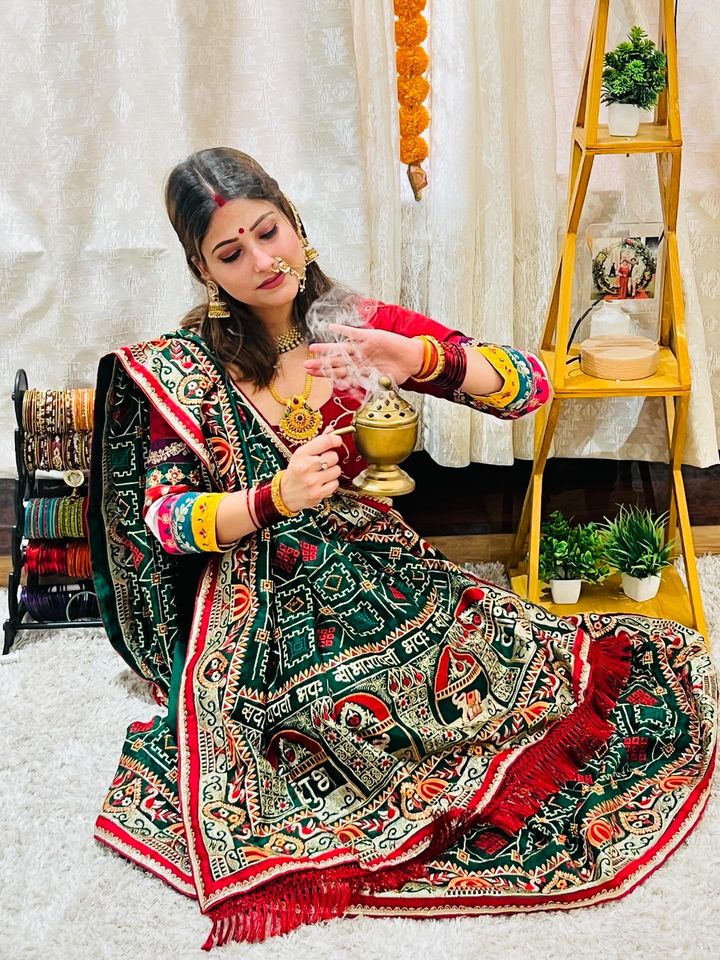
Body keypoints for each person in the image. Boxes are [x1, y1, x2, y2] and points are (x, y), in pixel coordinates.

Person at [88, 148, 716, 950]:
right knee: (324, 718)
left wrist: (416, 359)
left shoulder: (355, 325)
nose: (261, 261)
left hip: (375, 564)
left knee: (507, 663)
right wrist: (269, 499)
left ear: (295, 220)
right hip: (254, 591)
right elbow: (166, 519)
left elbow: (532, 385)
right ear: (202, 269)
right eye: (230, 252)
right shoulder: (189, 369)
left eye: (268, 231)